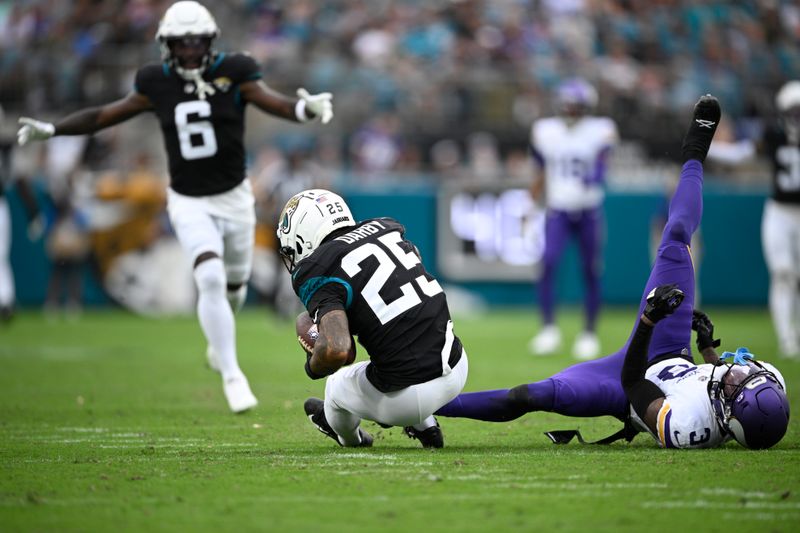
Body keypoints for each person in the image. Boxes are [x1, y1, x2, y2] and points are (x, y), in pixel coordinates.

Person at [16, 1, 334, 413]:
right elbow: (106, 114)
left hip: (234, 196)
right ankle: (232, 373)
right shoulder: (155, 81)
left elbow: (268, 99)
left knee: (234, 283)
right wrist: (55, 129)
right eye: (180, 43)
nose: (188, 50)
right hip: (188, 198)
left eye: (195, 41)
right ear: (167, 44)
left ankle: (220, 344)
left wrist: (301, 109)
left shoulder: (234, 70)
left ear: (209, 41)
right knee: (209, 277)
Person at [436, 95, 791, 450]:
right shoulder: (757, 385)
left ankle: (427, 408)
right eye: (743, 378)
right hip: (674, 349)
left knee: (530, 395)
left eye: (736, 387)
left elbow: (635, 383)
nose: (737, 374)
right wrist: (708, 349)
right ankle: (696, 149)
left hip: (624, 382)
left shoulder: (690, 428)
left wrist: (649, 322)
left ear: (728, 417)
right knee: (677, 235)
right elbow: (709, 380)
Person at [277, 189, 469, 448]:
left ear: (304, 237)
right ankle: (425, 424)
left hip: (408, 399)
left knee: (335, 387)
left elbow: (336, 350)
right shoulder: (384, 228)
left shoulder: (316, 269)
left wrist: (313, 364)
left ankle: (351, 439)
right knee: (396, 354)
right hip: (457, 364)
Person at [706, 80, 800, 358]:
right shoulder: (774, 135)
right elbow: (742, 154)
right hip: (779, 212)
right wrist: (706, 148)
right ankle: (787, 339)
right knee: (783, 273)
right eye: (793, 112)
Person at [528, 78, 619, 360]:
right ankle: (548, 330)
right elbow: (542, 165)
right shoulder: (546, 130)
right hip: (558, 210)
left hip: (589, 210)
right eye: (566, 104)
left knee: (590, 270)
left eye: (575, 105)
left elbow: (603, 164)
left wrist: (596, 175)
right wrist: (534, 193)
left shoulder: (599, 129)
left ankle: (589, 333)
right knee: (549, 263)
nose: (569, 110)